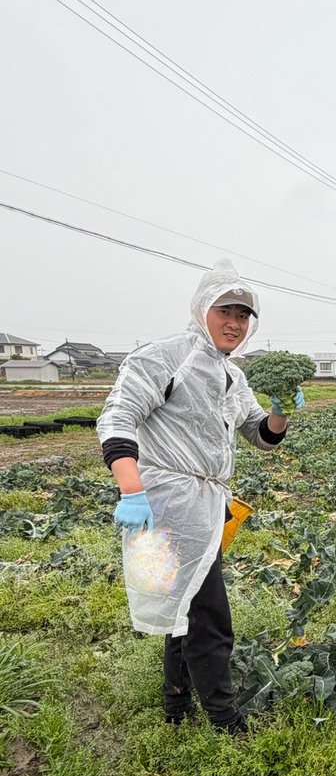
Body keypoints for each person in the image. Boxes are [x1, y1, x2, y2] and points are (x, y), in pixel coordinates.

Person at [97, 258, 303, 734]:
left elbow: (260, 435)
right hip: (163, 502)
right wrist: (132, 489)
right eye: (225, 311)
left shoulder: (233, 375)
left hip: (206, 507)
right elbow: (116, 417)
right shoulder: (166, 357)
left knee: (182, 604)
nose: (235, 323)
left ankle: (176, 707)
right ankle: (226, 721)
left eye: (244, 316)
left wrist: (280, 412)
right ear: (201, 310)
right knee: (209, 615)